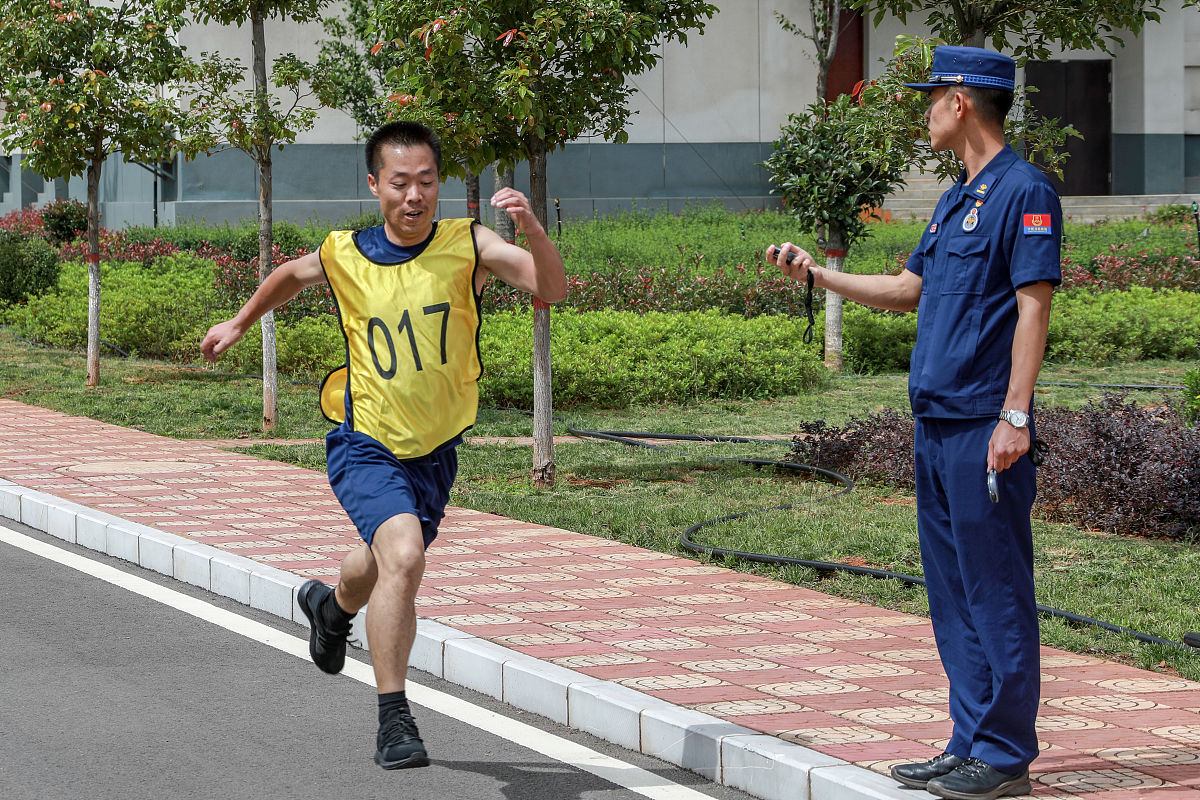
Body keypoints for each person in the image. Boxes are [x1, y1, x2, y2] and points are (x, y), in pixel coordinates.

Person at [201, 121, 567, 770]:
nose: (414, 195)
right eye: (400, 183)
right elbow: (290, 274)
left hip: (435, 450)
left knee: (378, 564)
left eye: (426, 181)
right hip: (364, 440)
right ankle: (394, 719)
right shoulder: (346, 253)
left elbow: (552, 288)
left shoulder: (468, 244)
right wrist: (240, 321)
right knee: (404, 554)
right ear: (375, 185)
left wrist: (533, 230)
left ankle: (330, 607)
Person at [768, 46, 1059, 800]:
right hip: (935, 421)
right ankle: (969, 741)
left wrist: (1015, 415)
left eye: (932, 97)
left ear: (960, 102)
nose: (925, 110)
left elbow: (1033, 308)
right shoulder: (955, 198)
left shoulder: (1025, 192)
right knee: (953, 591)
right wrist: (818, 274)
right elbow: (907, 288)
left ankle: (1004, 754)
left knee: (995, 587)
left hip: (983, 426)